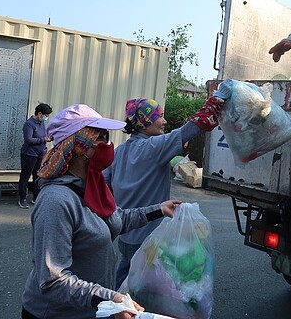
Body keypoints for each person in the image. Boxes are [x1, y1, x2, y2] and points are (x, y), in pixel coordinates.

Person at [21, 103, 182, 319]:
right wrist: (110, 298)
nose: (106, 145)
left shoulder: (93, 185)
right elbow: (53, 280)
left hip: (91, 310)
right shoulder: (56, 201)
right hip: (55, 314)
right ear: (77, 146)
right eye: (99, 138)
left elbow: (116, 219)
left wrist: (159, 209)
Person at [103, 96, 225, 289]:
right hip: (149, 237)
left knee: (123, 281)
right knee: (147, 290)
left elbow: (103, 184)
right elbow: (188, 131)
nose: (165, 121)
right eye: (160, 116)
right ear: (145, 122)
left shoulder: (119, 152)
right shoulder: (153, 147)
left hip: (125, 234)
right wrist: (216, 105)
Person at [18, 103, 53, 209]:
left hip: (40, 154)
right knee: (25, 176)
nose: (46, 118)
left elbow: (43, 135)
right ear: (39, 113)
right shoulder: (29, 124)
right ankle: (22, 199)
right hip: (29, 154)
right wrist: (44, 139)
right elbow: (28, 140)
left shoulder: (41, 123)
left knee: (37, 176)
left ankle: (36, 197)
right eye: (45, 115)